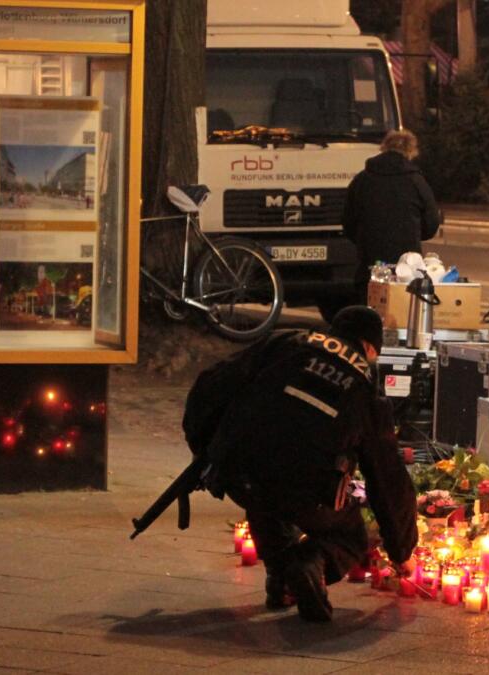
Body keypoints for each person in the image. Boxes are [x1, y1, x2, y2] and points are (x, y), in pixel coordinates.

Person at [183, 306, 417, 622]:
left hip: (241, 470)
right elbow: (387, 477)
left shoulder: (286, 342)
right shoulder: (365, 390)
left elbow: (212, 383)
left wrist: (206, 448)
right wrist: (402, 550)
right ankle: (312, 561)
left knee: (263, 501)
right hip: (307, 490)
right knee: (349, 535)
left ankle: (283, 583)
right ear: (370, 347)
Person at [342, 130, 441, 302]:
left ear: (384, 148)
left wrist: (363, 239)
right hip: (407, 265)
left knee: (369, 307)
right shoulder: (416, 181)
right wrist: (415, 233)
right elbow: (431, 222)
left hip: (369, 262)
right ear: (411, 151)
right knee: (401, 312)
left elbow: (348, 221)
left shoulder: (362, 180)